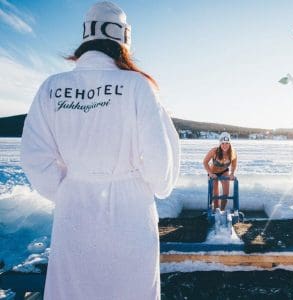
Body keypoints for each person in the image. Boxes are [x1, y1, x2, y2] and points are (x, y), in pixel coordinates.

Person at [20, 2, 180, 299]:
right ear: (123, 40)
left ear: (86, 37)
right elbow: (161, 169)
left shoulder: (52, 87)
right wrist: (149, 183)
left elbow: (33, 156)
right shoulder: (137, 86)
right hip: (130, 211)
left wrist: (70, 187)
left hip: (74, 210)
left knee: (74, 290)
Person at [203, 132, 238, 211]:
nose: (225, 145)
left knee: (226, 193)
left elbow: (234, 164)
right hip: (213, 172)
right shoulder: (214, 151)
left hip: (224, 171)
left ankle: (222, 210)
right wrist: (210, 174)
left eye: (227, 143)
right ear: (220, 144)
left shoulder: (233, 152)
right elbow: (205, 162)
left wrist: (232, 173)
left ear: (229, 144)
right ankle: (216, 210)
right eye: (223, 143)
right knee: (215, 194)